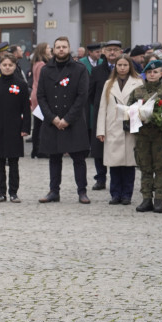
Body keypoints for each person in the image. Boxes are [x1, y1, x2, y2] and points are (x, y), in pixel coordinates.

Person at [37, 36, 92, 204]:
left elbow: (82, 96)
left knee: (78, 159)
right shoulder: (46, 70)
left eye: (64, 47)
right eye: (58, 47)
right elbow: (41, 96)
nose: (61, 49)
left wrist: (67, 119)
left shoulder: (79, 69)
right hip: (52, 120)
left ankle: (82, 192)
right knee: (54, 158)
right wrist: (53, 118)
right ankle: (54, 191)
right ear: (53, 50)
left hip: (73, 121)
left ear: (69, 49)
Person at [129, 60, 162, 213]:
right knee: (145, 168)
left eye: (155, 72)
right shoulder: (137, 92)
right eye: (149, 72)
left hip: (161, 137)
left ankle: (158, 200)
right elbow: (129, 111)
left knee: (161, 168)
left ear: (161, 74)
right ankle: (146, 199)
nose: (152, 74)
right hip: (143, 137)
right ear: (145, 74)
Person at [95, 54, 142, 205]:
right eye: (119, 65)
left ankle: (127, 194)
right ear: (115, 67)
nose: (122, 68)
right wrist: (101, 130)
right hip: (113, 126)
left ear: (130, 66)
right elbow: (102, 107)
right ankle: (115, 194)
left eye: (125, 65)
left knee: (129, 164)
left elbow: (142, 104)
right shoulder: (109, 83)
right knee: (114, 164)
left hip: (130, 125)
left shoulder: (138, 82)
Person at [0, 53, 30, 203]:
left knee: (14, 162)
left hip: (14, 128)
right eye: (5, 65)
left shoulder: (21, 85)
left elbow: (25, 109)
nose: (7, 67)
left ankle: (13, 192)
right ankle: (1, 192)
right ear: (0, 66)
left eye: (10, 65)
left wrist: (25, 128)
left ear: (15, 66)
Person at [86, 40, 124, 191]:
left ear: (120, 52)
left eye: (115, 50)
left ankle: (119, 178)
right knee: (99, 147)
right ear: (104, 52)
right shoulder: (96, 71)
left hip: (120, 113)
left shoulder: (125, 69)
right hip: (101, 113)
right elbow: (90, 93)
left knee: (118, 145)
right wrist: (99, 106)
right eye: (109, 50)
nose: (112, 53)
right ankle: (100, 178)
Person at [28, 42, 51, 159]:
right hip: (40, 95)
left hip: (35, 94)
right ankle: (40, 150)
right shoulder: (42, 64)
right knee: (41, 124)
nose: (50, 49)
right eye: (48, 48)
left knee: (38, 124)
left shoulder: (36, 63)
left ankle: (35, 149)